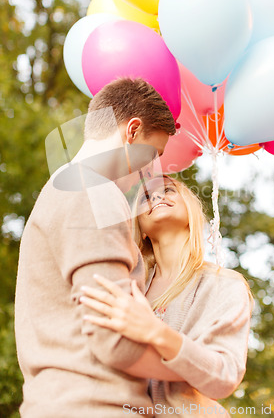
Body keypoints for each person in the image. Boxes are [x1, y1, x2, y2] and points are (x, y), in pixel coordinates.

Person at [14, 78, 178, 418]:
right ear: (132, 131)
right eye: (153, 153)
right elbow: (114, 341)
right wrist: (196, 369)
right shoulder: (95, 191)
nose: (151, 171)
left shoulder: (64, 185)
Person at [79, 175, 253, 417]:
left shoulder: (224, 284)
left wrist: (155, 331)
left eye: (169, 190)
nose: (158, 197)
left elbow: (223, 377)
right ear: (141, 229)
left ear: (191, 212)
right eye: (146, 198)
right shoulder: (128, 287)